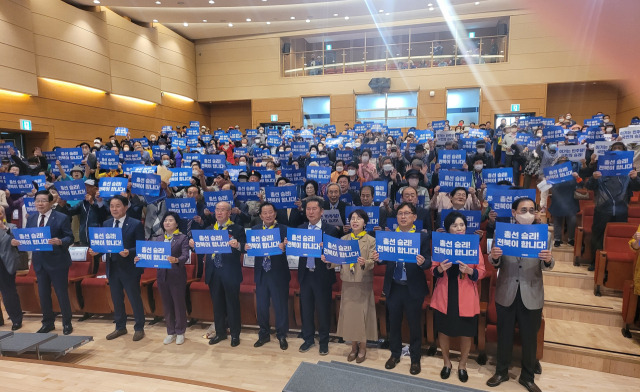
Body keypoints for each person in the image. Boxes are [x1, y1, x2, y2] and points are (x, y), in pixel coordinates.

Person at [486, 197, 554, 392]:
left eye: (532, 210)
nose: (528, 214)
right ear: (514, 212)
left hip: (531, 292)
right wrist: (494, 257)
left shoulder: (544, 235)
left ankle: (527, 376)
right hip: (506, 290)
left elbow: (547, 265)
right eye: (523, 210)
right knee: (504, 335)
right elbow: (494, 261)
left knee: (529, 337)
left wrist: (548, 260)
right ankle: (501, 371)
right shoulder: (502, 232)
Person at [374, 202, 431, 375]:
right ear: (396, 217)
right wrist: (378, 258)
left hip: (413, 288)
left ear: (414, 217)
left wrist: (423, 262)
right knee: (394, 323)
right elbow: (384, 260)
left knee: (414, 325)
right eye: (400, 213)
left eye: (407, 213)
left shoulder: (421, 237)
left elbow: (429, 261)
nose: (403, 216)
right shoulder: (388, 236)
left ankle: (415, 359)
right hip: (394, 286)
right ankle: (395, 354)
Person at [431, 211, 485, 383]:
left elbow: (482, 270)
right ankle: (447, 362)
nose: (459, 228)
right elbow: (432, 269)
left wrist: (471, 271)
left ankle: (462, 365)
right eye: (454, 225)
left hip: (466, 294)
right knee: (444, 330)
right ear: (448, 229)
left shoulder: (473, 245)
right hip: (445, 293)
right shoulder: (440, 244)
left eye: (462, 225)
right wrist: (440, 269)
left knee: (466, 332)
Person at [12, 190, 75, 335]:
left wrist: (60, 241)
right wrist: (18, 242)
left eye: (43, 200)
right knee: (43, 294)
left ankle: (67, 323)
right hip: (39, 262)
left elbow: (69, 237)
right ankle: (47, 323)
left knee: (61, 293)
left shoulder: (61, 217)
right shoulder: (32, 218)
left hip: (58, 262)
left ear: (51, 202)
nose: (40, 203)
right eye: (37, 201)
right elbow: (28, 239)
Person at [322, 209, 377, 363]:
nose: (355, 221)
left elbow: (373, 261)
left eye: (358, 218)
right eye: (352, 218)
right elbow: (337, 260)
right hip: (347, 281)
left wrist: (364, 262)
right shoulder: (344, 239)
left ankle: (363, 348)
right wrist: (328, 261)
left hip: (363, 282)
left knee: (363, 317)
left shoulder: (370, 240)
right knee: (351, 317)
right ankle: (353, 347)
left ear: (364, 223)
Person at [89, 195, 146, 341]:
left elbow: (141, 246)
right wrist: (97, 251)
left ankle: (139, 327)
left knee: (134, 299)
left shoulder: (135, 224)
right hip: (112, 267)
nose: (114, 209)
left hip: (130, 268)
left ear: (126, 207)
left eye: (118, 205)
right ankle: (120, 327)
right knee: (116, 299)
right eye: (112, 206)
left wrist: (129, 252)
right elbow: (105, 245)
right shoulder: (107, 223)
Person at [297, 196, 340, 355]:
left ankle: (324, 341)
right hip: (305, 275)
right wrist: (289, 244)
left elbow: (335, 255)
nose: (311, 212)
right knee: (306, 310)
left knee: (323, 310)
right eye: (308, 209)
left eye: (314, 209)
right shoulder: (300, 229)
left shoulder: (330, 230)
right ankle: (308, 339)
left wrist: (326, 251)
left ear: (322, 211)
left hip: (322, 276)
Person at [202, 201, 246, 347]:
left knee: (232, 305)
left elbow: (245, 248)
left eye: (223, 210)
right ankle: (220, 333)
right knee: (217, 305)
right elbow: (201, 250)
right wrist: (194, 245)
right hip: (213, 272)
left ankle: (235, 335)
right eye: (217, 210)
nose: (219, 212)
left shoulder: (237, 229)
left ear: (229, 213)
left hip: (230, 273)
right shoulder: (209, 229)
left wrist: (238, 245)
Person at [248, 202, 290, 350]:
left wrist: (285, 247)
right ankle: (264, 333)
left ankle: (282, 335)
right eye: (265, 213)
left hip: (278, 273)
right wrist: (247, 247)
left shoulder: (283, 229)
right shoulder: (255, 230)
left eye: (270, 212)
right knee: (261, 306)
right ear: (260, 216)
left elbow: (292, 248)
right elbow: (251, 250)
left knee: (280, 306)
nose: (268, 215)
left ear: (275, 213)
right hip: (261, 273)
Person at [145, 211, 190, 345]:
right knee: (167, 305)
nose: (167, 223)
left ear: (176, 223)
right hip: (162, 276)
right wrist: (141, 258)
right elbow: (151, 255)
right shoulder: (158, 238)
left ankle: (180, 331)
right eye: (165, 221)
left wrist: (176, 259)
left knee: (178, 304)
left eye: (170, 220)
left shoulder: (182, 238)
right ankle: (170, 332)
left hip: (176, 276)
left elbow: (185, 255)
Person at [0, 205, 22, 330]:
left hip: (6, 263)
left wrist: (4, 228)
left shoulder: (12, 227)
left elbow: (18, 239)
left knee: (9, 292)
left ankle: (16, 319)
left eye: (0, 213)